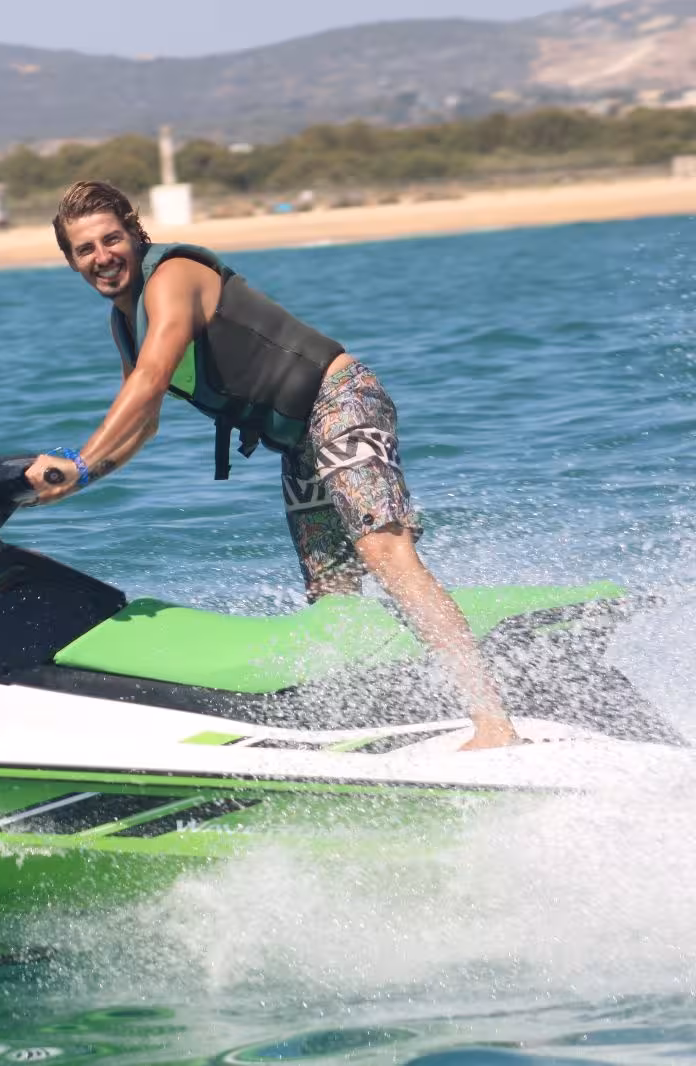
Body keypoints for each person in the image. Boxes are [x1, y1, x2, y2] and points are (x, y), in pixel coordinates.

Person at [26, 180, 518, 751]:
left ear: (136, 235)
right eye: (85, 249)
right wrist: (80, 479)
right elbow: (145, 423)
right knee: (333, 595)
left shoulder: (173, 276)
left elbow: (152, 380)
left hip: (341, 401)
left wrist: (81, 461)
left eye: (111, 239)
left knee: (385, 552)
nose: (102, 256)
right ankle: (375, 718)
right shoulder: (125, 322)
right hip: (300, 441)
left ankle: (494, 723)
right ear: (71, 261)